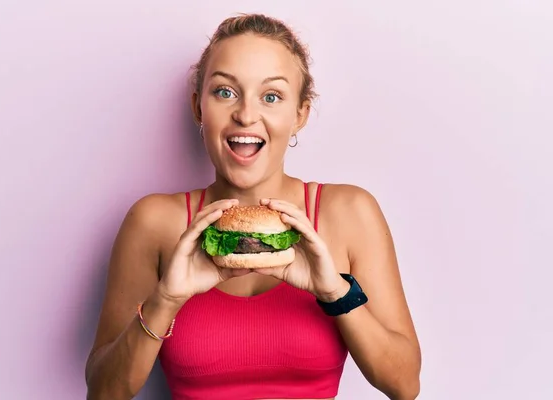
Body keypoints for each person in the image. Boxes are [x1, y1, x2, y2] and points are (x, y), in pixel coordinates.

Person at [85, 13, 421, 400]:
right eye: (225, 92)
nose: (246, 115)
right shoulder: (154, 222)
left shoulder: (348, 212)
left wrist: (334, 293)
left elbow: (404, 385)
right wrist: (166, 301)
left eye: (271, 97)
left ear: (300, 115)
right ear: (198, 108)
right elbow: (103, 392)